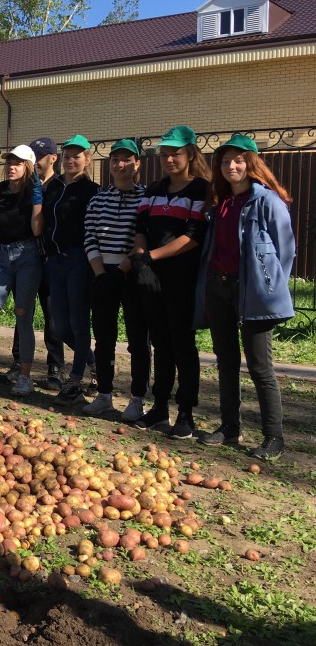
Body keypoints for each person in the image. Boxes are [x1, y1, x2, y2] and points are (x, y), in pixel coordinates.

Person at [196, 134, 295, 461]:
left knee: (260, 366)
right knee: (225, 361)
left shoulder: (266, 200)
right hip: (218, 288)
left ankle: (274, 436)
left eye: (238, 160)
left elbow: (285, 250)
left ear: (250, 163)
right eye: (225, 161)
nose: (231, 166)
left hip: (252, 291)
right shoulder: (220, 201)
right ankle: (229, 427)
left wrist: (269, 286)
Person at [132, 125, 210, 439]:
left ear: (190, 154)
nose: (168, 160)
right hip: (152, 278)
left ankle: (186, 412)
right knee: (160, 344)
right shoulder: (153, 189)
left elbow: (192, 237)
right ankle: (160, 406)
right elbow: (140, 228)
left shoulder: (201, 189)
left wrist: (150, 257)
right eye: (164, 154)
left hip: (182, 279)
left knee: (182, 345)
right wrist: (141, 262)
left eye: (175, 154)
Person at [82, 140, 151, 419]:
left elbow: (142, 239)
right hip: (102, 272)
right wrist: (100, 273)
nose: (119, 165)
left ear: (137, 164)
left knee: (138, 339)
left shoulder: (145, 198)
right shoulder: (98, 199)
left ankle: (137, 398)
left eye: (126, 160)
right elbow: (90, 236)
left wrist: (122, 269)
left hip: (133, 272)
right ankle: (104, 394)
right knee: (104, 337)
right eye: (115, 160)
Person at [0, 144, 44, 398]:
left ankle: (24, 378)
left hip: (28, 256)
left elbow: (37, 230)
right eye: (9, 162)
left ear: (28, 166)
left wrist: (37, 200)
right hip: (3, 258)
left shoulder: (33, 191)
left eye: (17, 163)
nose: (11, 167)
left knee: (23, 315)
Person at [42, 135, 100, 405]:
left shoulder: (91, 190)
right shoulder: (53, 187)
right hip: (54, 261)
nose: (70, 161)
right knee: (60, 326)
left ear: (87, 160)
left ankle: (75, 381)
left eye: (76, 156)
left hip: (79, 260)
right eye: (67, 156)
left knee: (78, 322)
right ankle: (94, 363)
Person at [8, 136, 65, 392]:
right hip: (27, 258)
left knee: (52, 315)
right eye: (33, 157)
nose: (36, 161)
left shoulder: (60, 186)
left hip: (51, 259)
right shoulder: (25, 186)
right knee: (23, 311)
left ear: (53, 158)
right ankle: (18, 362)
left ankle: (55, 367)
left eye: (40, 157)